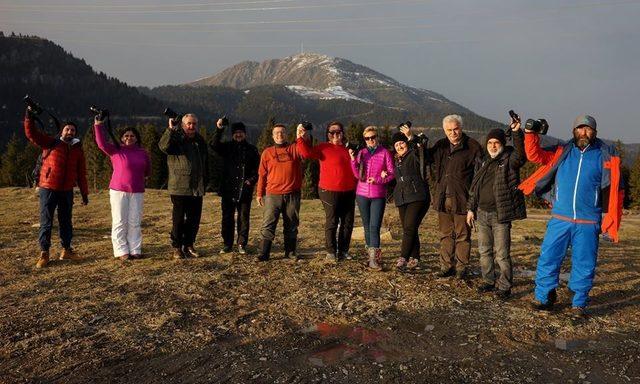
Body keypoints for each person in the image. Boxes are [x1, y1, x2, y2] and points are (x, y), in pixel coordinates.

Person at [519, 115, 623, 317]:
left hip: (588, 221)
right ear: (574, 131)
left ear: (595, 132)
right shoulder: (562, 151)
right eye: (580, 129)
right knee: (548, 258)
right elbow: (534, 155)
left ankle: (579, 302)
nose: (584, 132)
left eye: (588, 129)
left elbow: (613, 190)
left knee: (584, 263)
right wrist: (531, 134)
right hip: (560, 219)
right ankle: (544, 297)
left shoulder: (606, 156)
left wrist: (609, 219)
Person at [466, 123, 526, 299]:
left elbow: (521, 155)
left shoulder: (509, 159)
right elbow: (474, 188)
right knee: (484, 251)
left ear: (502, 144)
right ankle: (488, 281)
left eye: (496, 143)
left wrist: (516, 133)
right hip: (481, 213)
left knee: (502, 254)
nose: (493, 145)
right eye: (490, 142)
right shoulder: (483, 161)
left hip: (501, 215)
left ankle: (505, 285)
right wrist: (470, 209)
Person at [24, 108, 89, 268]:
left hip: (67, 190)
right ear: (62, 131)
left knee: (66, 221)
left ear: (75, 133)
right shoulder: (51, 142)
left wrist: (84, 193)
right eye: (67, 129)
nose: (70, 131)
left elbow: (81, 174)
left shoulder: (77, 151)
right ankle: (44, 253)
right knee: (46, 222)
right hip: (48, 188)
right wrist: (29, 118)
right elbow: (32, 134)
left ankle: (66, 250)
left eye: (73, 130)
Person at [431, 115, 483, 279]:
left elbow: (478, 177)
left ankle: (461, 268)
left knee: (463, 236)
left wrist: (472, 203)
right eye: (449, 130)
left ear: (461, 128)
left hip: (462, 198)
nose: (453, 132)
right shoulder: (440, 145)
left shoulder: (473, 147)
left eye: (456, 129)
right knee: (445, 234)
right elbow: (427, 162)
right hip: (442, 197)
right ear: (444, 131)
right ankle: (446, 266)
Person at [296, 121, 357, 262]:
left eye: (338, 132)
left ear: (343, 133)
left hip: (349, 190)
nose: (335, 135)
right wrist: (300, 137)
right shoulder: (323, 147)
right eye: (332, 132)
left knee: (348, 222)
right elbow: (306, 153)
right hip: (328, 190)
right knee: (332, 221)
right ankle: (331, 252)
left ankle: (343, 251)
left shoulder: (349, 149)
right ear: (328, 135)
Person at [94, 117, 150, 261]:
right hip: (119, 190)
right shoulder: (116, 150)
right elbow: (101, 144)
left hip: (137, 191)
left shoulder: (143, 153)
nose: (129, 138)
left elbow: (147, 170)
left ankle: (135, 249)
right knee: (119, 220)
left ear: (136, 138)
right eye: (126, 135)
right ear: (122, 138)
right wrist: (98, 125)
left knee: (134, 221)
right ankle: (121, 251)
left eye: (132, 135)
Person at [158, 113, 208, 259]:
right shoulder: (176, 138)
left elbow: (205, 161)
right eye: (188, 124)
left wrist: (206, 180)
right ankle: (177, 247)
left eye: (194, 124)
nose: (191, 126)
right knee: (178, 220)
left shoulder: (199, 140)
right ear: (182, 124)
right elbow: (163, 146)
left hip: (197, 187)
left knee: (194, 219)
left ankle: (189, 245)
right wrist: (170, 130)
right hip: (179, 186)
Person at [210, 119, 260, 255]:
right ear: (232, 134)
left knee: (244, 218)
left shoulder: (252, 149)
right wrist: (219, 129)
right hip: (228, 189)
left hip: (245, 189)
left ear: (245, 134)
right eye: (236, 132)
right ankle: (227, 244)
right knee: (227, 218)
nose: (238, 135)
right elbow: (213, 144)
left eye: (241, 132)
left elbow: (258, 170)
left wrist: (251, 180)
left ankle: (241, 244)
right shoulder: (226, 147)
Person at [256, 124, 304, 262]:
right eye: (276, 132)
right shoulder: (267, 152)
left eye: (282, 132)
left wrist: (301, 135)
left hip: (292, 194)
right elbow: (262, 175)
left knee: (291, 224)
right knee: (268, 223)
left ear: (286, 134)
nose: (279, 134)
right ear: (272, 136)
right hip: (272, 194)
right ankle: (263, 253)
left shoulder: (294, 149)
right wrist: (259, 193)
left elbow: (306, 150)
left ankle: (290, 252)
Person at [349, 126, 395, 270]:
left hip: (378, 195)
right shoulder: (361, 153)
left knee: (374, 227)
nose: (370, 140)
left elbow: (392, 173)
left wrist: (378, 180)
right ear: (365, 140)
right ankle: (370, 257)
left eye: (373, 137)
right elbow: (357, 175)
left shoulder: (385, 153)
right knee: (367, 227)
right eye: (367, 138)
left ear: (377, 137)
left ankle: (374, 260)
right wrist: (352, 160)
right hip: (361, 195)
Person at [390, 126, 431, 271]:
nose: (399, 146)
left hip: (417, 195)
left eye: (401, 143)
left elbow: (421, 150)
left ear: (406, 143)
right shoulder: (396, 160)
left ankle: (404, 257)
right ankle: (415, 258)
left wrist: (410, 136)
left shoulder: (414, 155)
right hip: (402, 198)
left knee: (408, 228)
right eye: (396, 145)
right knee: (410, 228)